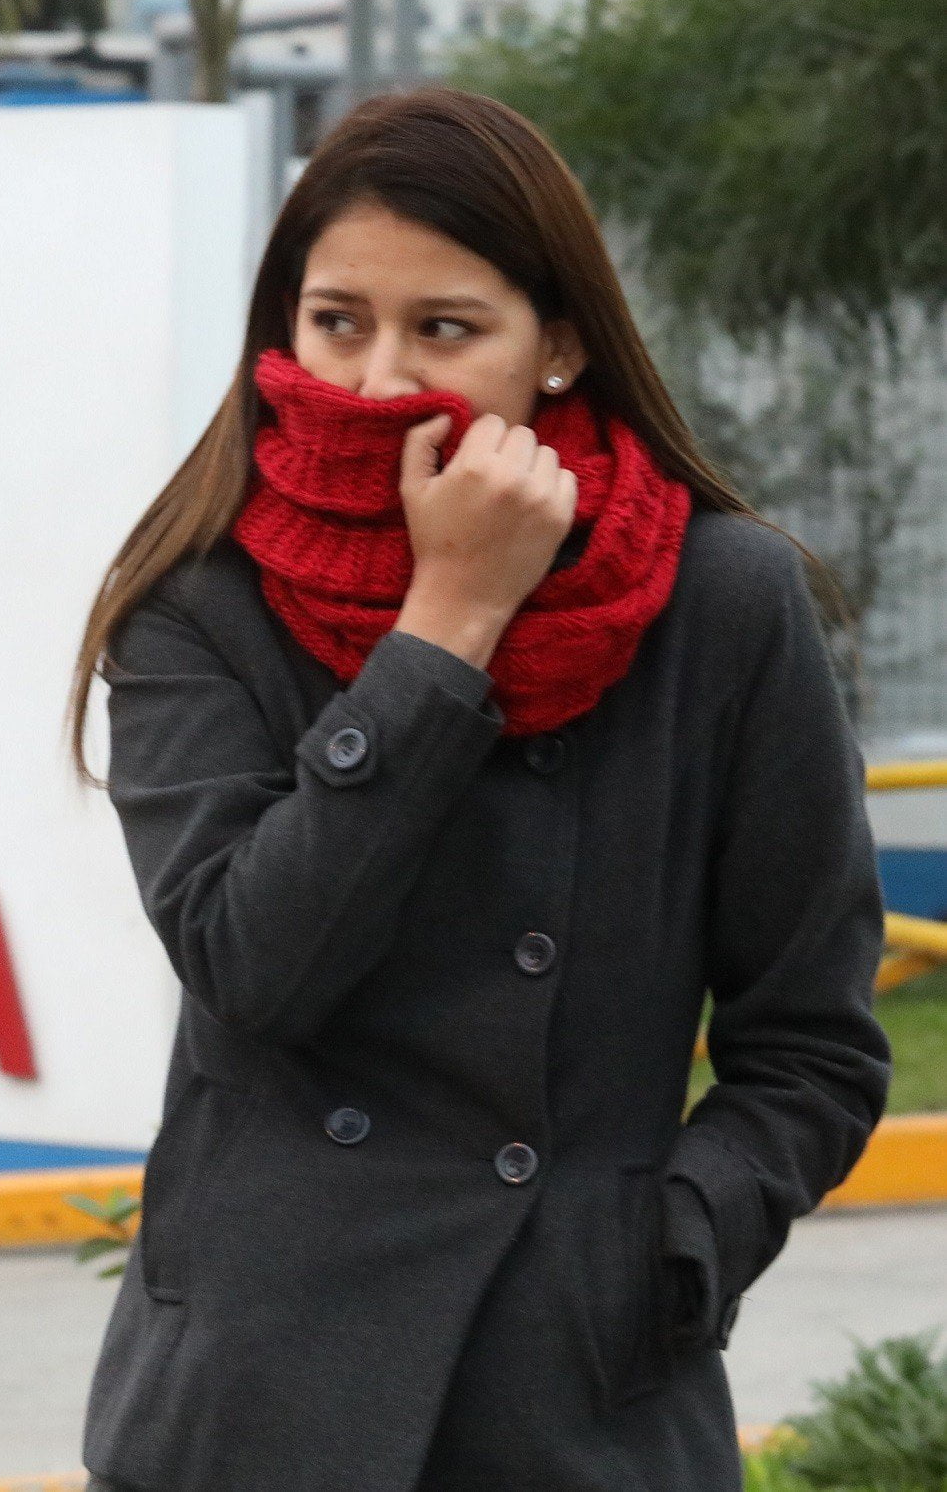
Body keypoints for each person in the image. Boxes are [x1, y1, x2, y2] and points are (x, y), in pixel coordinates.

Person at [67, 87, 891, 1491]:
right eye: (339, 320)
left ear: (558, 344)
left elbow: (813, 1044)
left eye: (442, 329)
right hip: (261, 1402)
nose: (380, 382)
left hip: (574, 1400)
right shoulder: (200, 598)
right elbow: (252, 965)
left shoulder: (722, 602)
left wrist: (664, 1250)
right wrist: (445, 627)